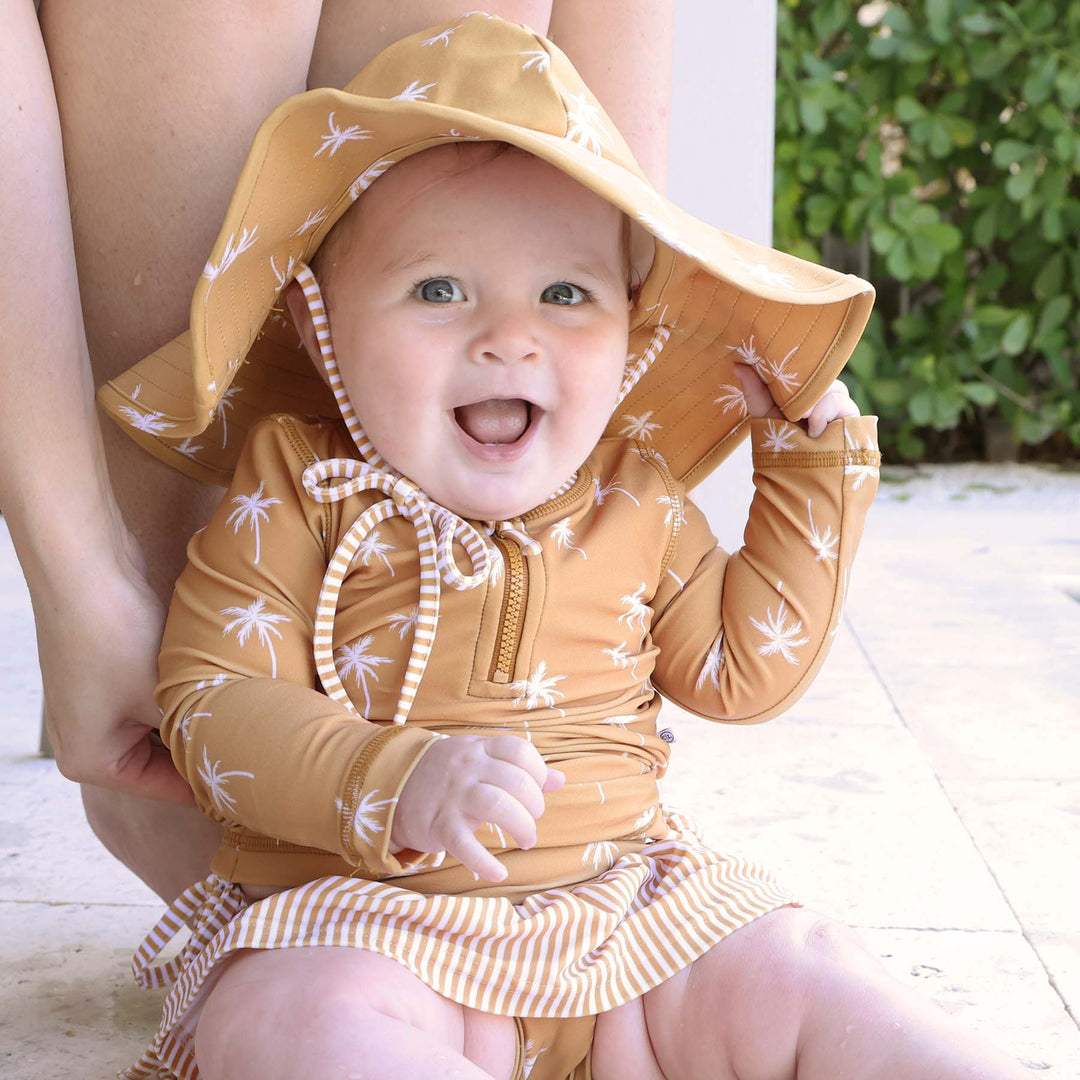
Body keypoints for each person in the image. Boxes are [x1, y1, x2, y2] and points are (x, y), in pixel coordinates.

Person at [100, 16, 1029, 1080]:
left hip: (629, 924)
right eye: (439, 290)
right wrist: (386, 776)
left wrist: (810, 471)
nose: (510, 334)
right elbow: (210, 703)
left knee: (800, 960)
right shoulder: (300, 489)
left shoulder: (638, 496)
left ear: (630, 340)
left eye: (565, 293)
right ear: (324, 331)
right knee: (285, 1017)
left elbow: (740, 670)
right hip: (365, 923)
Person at [1, 0, 673, 903]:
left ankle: (440, 698)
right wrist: (81, 580)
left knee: (474, 75)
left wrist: (595, 582)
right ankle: (174, 620)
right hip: (198, 717)